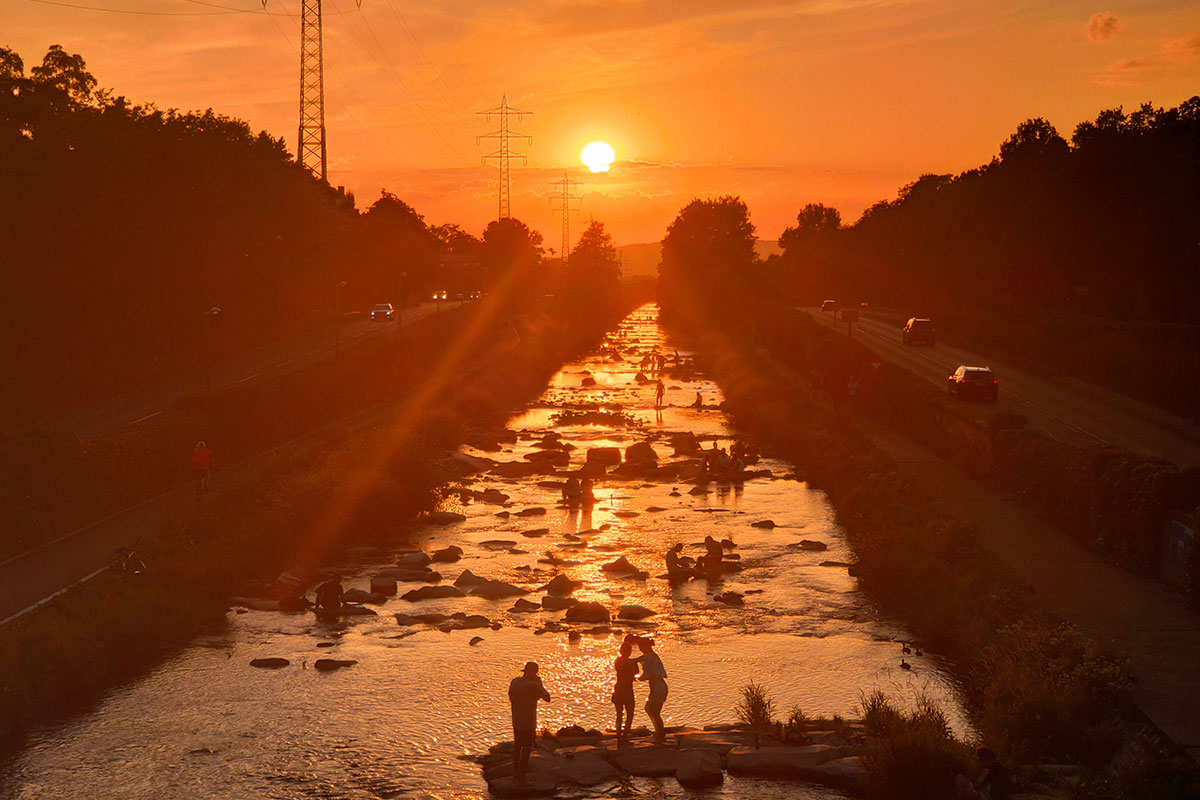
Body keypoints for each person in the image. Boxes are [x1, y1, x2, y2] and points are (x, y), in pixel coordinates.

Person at [509, 661, 552, 784]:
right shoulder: (533, 685)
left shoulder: (515, 682)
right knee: (527, 748)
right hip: (528, 722)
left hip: (516, 720)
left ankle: (516, 774)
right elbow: (547, 698)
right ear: (534, 673)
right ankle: (522, 778)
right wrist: (540, 685)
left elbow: (511, 697)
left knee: (517, 746)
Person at [635, 638, 668, 743]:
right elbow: (638, 659)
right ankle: (659, 732)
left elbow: (646, 674)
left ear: (645, 647)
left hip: (658, 687)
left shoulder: (648, 657)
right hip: (661, 686)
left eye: (641, 647)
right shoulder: (653, 655)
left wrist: (637, 678)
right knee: (654, 710)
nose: (640, 649)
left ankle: (659, 733)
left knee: (651, 709)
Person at [612, 638, 640, 743]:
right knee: (630, 713)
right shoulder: (630, 662)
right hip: (627, 689)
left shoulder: (618, 661)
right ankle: (625, 735)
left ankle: (619, 735)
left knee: (619, 714)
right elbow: (636, 673)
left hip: (618, 688)